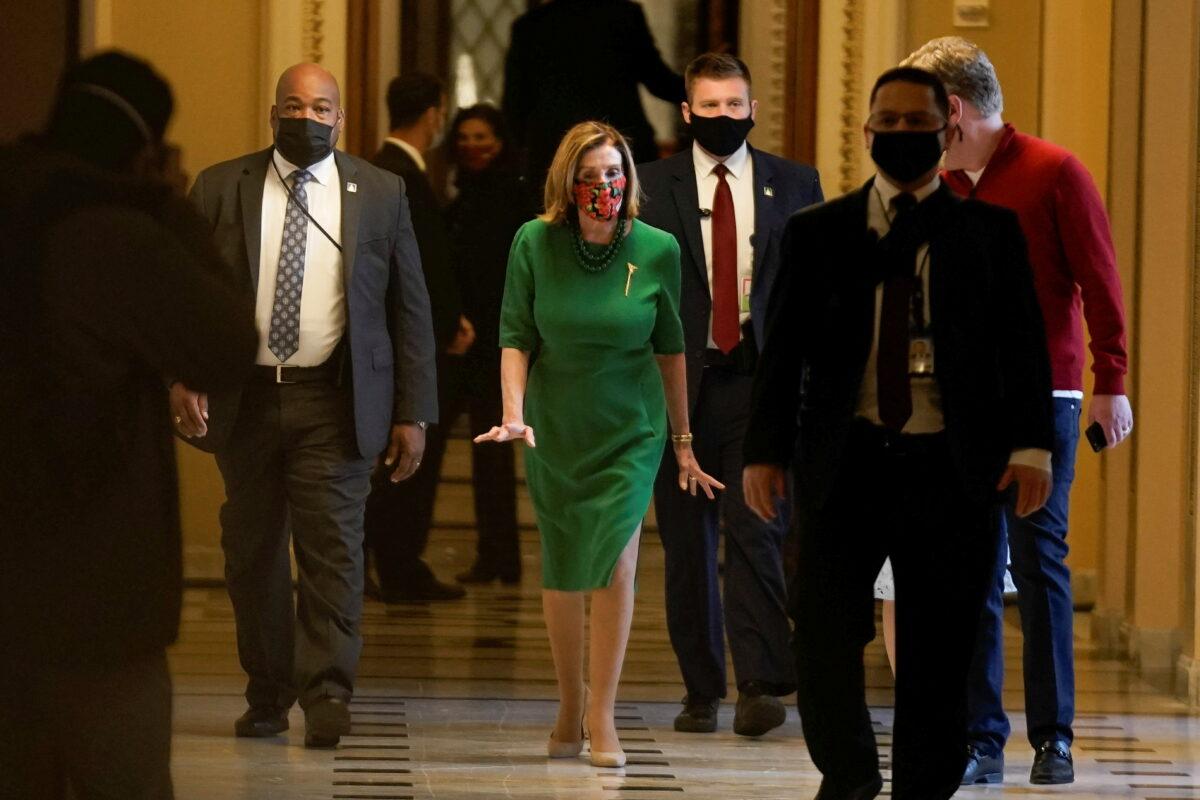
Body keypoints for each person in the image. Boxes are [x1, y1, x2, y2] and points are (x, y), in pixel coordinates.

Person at [743, 67, 1055, 800]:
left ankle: (924, 786)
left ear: (948, 133)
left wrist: (1033, 448)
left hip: (951, 466)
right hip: (845, 461)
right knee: (821, 636)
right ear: (867, 132)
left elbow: (1024, 347)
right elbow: (781, 350)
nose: (904, 135)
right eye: (891, 122)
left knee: (941, 647)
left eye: (919, 124)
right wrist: (763, 450)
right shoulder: (817, 233)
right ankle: (848, 776)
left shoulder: (989, 233)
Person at [0, 51, 257, 798]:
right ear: (143, 145)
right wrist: (169, 206)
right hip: (93, 581)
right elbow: (225, 347)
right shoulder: (115, 232)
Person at [174, 63, 438, 748]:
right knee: (253, 554)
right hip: (247, 399)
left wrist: (415, 412)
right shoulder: (219, 186)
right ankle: (268, 692)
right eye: (294, 105)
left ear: (341, 119)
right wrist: (182, 373)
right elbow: (189, 292)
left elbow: (409, 307)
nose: (307, 117)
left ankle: (327, 691)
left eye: (321, 107)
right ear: (272, 116)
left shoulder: (382, 192)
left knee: (334, 551)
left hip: (336, 398)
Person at [903, 37, 1133, 786]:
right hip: (963, 406)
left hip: (1047, 400)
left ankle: (1053, 739)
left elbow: (1100, 283)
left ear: (957, 110)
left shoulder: (1054, 172)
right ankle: (980, 740)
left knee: (1039, 566)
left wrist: (1113, 381)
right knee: (970, 570)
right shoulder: (942, 187)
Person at [475, 121, 723, 768]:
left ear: (629, 179)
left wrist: (683, 441)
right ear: (567, 181)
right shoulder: (534, 241)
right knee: (563, 566)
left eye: (613, 174)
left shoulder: (658, 248)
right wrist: (513, 412)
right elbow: (514, 334)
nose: (602, 186)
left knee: (615, 559)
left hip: (630, 427)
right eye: (589, 176)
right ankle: (566, 705)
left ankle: (601, 713)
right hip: (556, 423)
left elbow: (670, 348)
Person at [637, 53, 823, 737]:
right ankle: (700, 688)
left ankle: (761, 685)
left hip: (758, 382)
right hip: (678, 389)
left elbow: (814, 288)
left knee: (757, 532)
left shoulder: (794, 183)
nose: (723, 118)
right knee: (687, 548)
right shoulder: (650, 186)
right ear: (686, 112)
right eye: (709, 107)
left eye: (734, 106)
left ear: (751, 109)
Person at [364, 72, 472, 604]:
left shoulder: (375, 170)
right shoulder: (404, 175)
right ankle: (401, 566)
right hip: (409, 346)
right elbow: (422, 266)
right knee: (408, 461)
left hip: (381, 343)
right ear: (434, 113)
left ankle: (385, 564)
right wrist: (452, 325)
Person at [444, 104, 536, 585]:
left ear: (499, 142)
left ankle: (501, 558)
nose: (472, 145)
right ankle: (497, 557)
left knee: (493, 457)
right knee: (488, 457)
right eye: (464, 137)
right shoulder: (460, 197)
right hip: (466, 342)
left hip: (495, 343)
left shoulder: (510, 197)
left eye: (482, 137)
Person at [503, 0, 685, 189]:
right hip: (619, 144)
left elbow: (515, 104)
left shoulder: (529, 26)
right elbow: (658, 80)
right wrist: (701, 89)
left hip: (556, 149)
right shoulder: (624, 15)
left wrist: (522, 154)